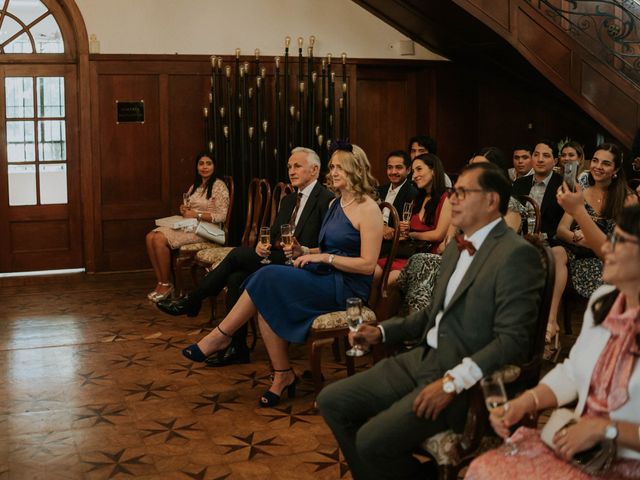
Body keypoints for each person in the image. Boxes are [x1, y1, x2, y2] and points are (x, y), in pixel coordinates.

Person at [317, 162, 544, 480]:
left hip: (461, 380)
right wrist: (381, 331)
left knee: (371, 441)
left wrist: (452, 383)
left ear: (492, 201)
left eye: (462, 192)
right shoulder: (455, 247)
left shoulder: (516, 255)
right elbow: (432, 316)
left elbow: (513, 341)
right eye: (453, 192)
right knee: (332, 401)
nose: (452, 199)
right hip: (420, 358)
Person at [180, 142, 383, 408]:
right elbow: (328, 248)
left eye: (339, 167)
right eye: (332, 166)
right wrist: (305, 249)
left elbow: (368, 265)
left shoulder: (368, 208)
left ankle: (221, 335)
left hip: (346, 288)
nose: (333, 172)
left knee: (267, 277)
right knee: (266, 294)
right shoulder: (336, 203)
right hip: (324, 274)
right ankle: (282, 374)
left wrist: (323, 257)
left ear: (356, 169)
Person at [466, 205, 640, 480]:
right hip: (585, 449)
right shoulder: (604, 301)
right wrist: (526, 402)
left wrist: (604, 428)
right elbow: (573, 371)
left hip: (626, 463)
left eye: (619, 242)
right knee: (484, 468)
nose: (607, 249)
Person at [156, 147, 333, 366]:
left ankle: (193, 301)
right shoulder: (289, 200)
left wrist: (301, 249)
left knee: (238, 254)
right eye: (289, 166)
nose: (291, 171)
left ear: (315, 170)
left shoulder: (326, 199)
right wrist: (263, 244)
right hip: (279, 256)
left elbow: (327, 244)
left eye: (297, 166)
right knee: (236, 277)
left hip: (304, 262)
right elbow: (275, 233)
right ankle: (238, 348)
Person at [545, 143, 637, 354]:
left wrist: (592, 239)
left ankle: (604, 341)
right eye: (595, 161)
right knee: (556, 253)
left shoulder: (626, 198)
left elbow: (623, 246)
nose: (597, 166)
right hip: (576, 253)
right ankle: (551, 324)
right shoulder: (582, 193)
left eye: (605, 163)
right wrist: (578, 238)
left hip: (607, 259)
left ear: (615, 170)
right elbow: (561, 230)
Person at [145, 153, 229, 302]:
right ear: (197, 167)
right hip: (191, 226)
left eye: (208, 163)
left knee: (159, 239)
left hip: (208, 230)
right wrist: (184, 209)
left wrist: (196, 214)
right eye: (201, 163)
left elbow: (222, 216)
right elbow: (189, 208)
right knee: (150, 236)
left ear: (214, 166)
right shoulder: (195, 186)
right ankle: (161, 282)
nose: (204, 167)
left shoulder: (219, 186)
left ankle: (166, 285)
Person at [512, 139, 564, 240]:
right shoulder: (519, 183)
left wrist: (545, 236)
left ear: (555, 161)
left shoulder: (563, 185)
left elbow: (566, 224)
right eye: (536, 155)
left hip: (550, 243)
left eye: (546, 155)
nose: (540, 159)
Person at [377, 150, 418, 240]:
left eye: (398, 168)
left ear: (408, 170)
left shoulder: (413, 193)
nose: (393, 172)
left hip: (394, 243)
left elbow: (408, 228)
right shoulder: (379, 190)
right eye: (390, 167)